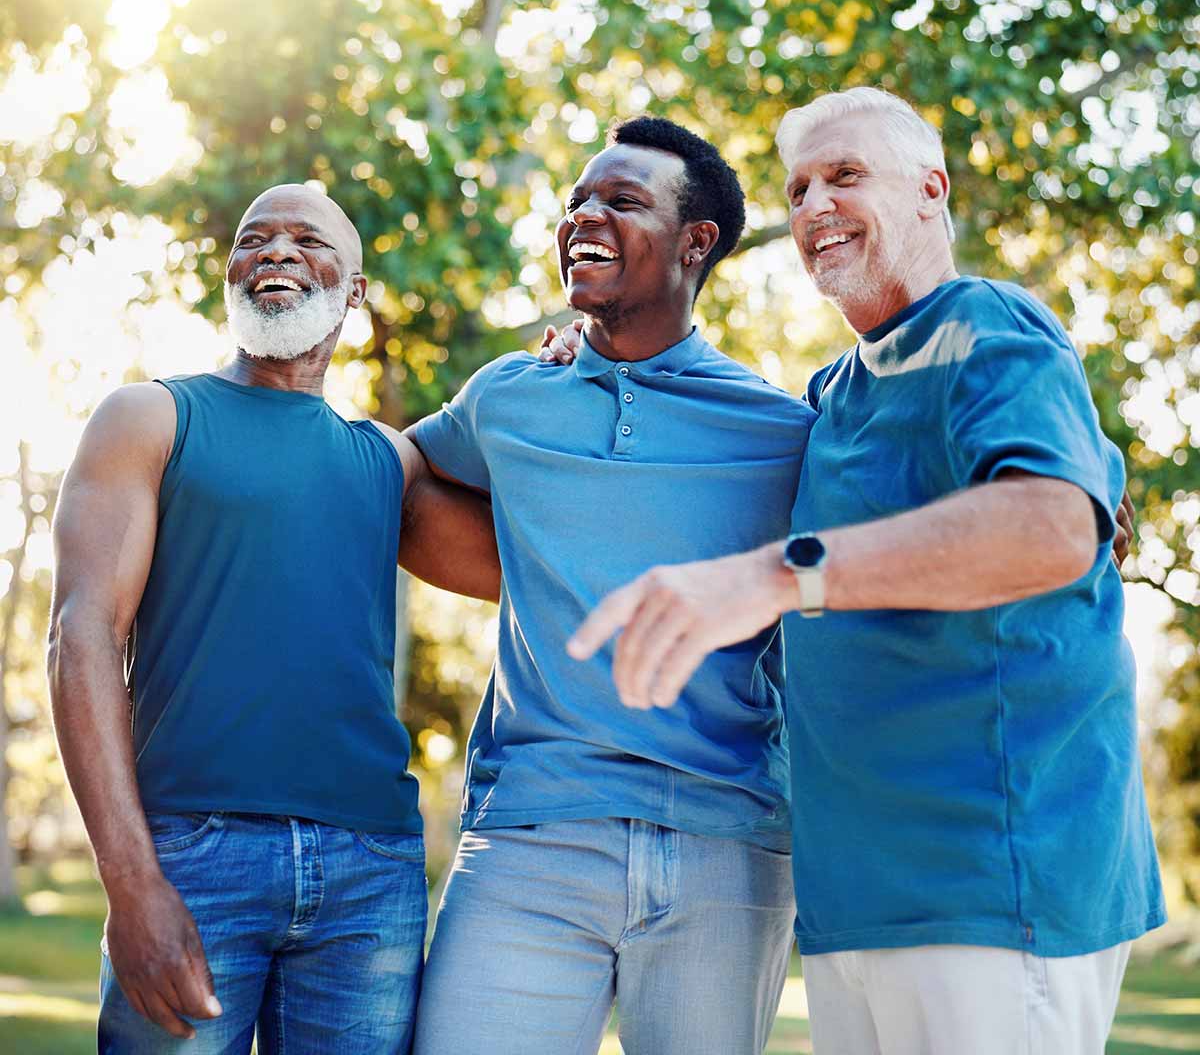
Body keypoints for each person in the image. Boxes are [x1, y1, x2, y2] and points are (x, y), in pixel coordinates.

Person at [569, 88, 1165, 1054]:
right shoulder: (834, 394)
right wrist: (583, 351)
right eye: (798, 188)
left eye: (845, 177)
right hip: (857, 899)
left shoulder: (986, 325)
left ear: (930, 191)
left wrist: (779, 574)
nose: (813, 207)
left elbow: (1054, 527)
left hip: (990, 882)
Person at [48, 183, 500, 1055]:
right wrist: (131, 882)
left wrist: (575, 366)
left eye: (308, 239)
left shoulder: (387, 461)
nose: (279, 251)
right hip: (191, 857)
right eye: (256, 238)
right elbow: (81, 638)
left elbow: (542, 565)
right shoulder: (150, 417)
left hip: (370, 873)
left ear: (356, 291)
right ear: (231, 276)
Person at [408, 117, 813, 1055]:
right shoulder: (507, 395)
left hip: (730, 842)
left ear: (694, 242)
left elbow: (925, 489)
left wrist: (1093, 473)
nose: (584, 214)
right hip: (532, 831)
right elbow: (385, 481)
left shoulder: (780, 429)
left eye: (622, 201)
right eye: (577, 200)